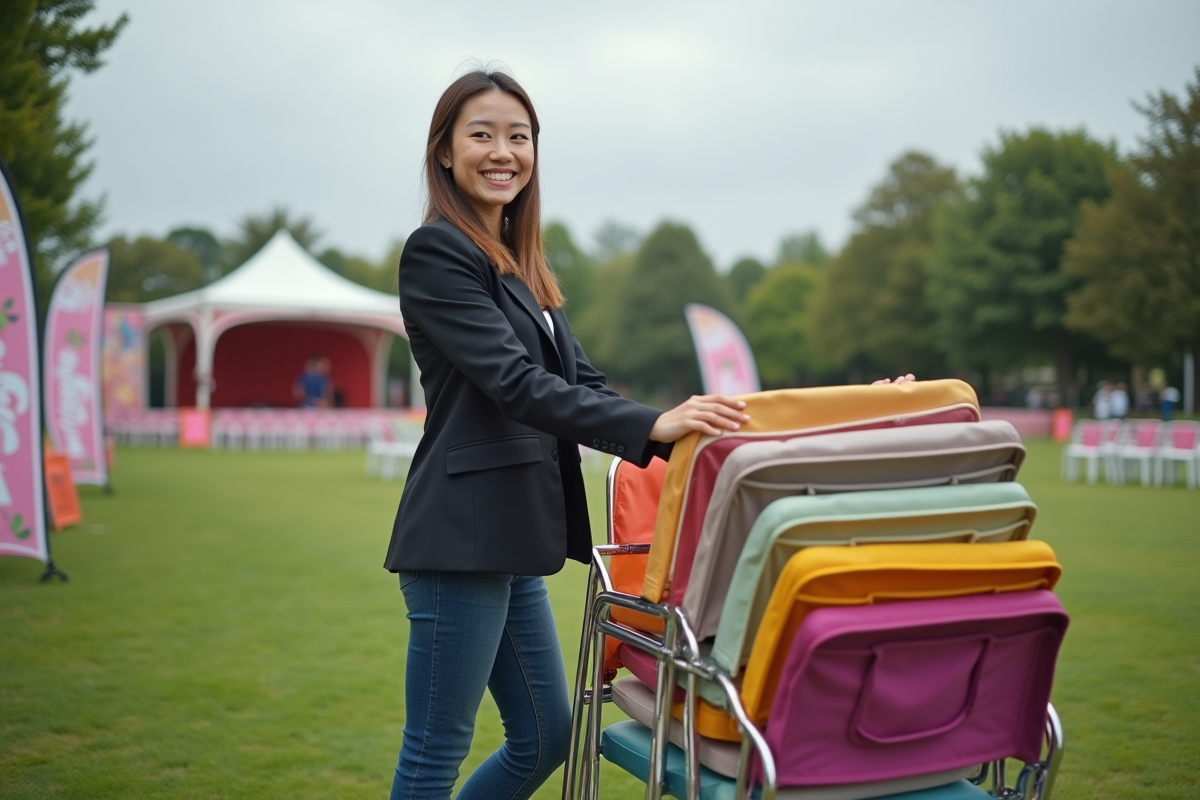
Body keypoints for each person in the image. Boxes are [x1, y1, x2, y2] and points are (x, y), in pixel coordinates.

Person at [383, 69, 913, 800]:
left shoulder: (523, 268)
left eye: (519, 135)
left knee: (547, 738)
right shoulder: (438, 253)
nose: (502, 150)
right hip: (459, 539)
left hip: (510, 539)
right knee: (434, 753)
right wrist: (653, 424)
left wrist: (800, 414)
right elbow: (517, 386)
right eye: (481, 134)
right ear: (444, 152)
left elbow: (586, 388)